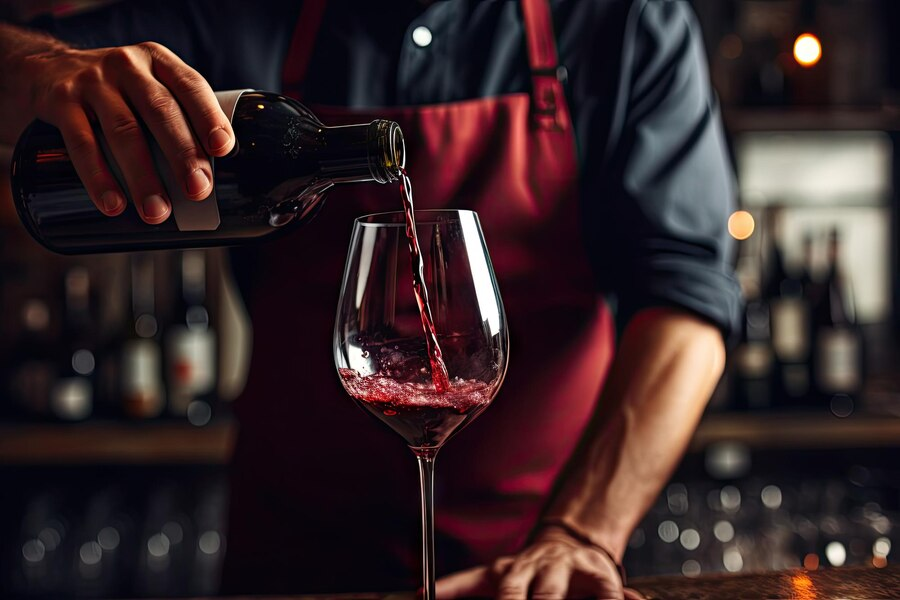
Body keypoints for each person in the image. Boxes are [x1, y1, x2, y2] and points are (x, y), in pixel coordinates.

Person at [0, 1, 741, 598]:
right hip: (296, 554)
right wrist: (40, 68)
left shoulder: (625, 21)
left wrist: (578, 535)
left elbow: (687, 301)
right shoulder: (247, 16)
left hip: (531, 555)